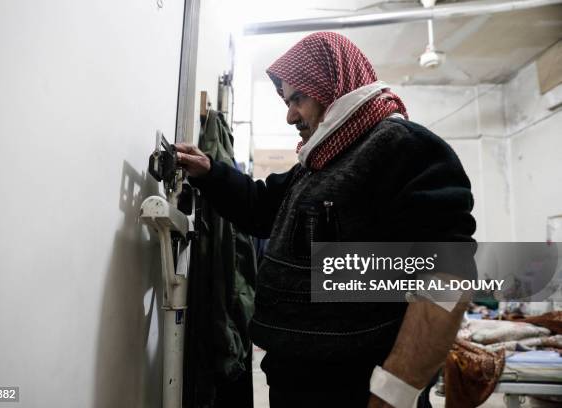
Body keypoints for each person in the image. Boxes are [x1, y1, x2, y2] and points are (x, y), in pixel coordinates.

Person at [176, 32, 476, 408]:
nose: (289, 115)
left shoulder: (404, 147)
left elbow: (447, 276)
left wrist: (394, 393)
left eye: (297, 98)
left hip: (358, 392)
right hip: (298, 385)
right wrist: (209, 173)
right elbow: (259, 207)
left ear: (332, 86)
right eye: (287, 102)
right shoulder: (318, 162)